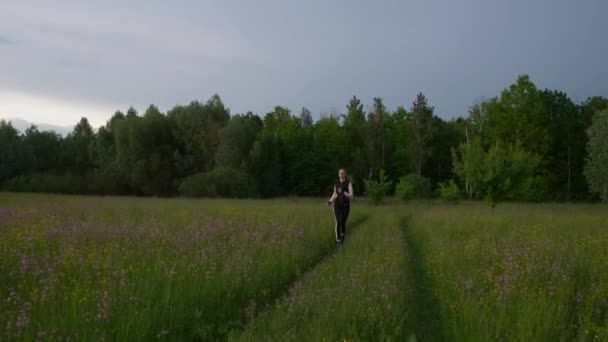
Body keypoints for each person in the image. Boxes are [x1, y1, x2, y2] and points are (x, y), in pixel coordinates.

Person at [326, 168, 353, 244]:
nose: (341, 174)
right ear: (338, 175)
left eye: (342, 173)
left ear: (345, 174)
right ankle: (338, 239)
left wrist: (345, 193)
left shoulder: (348, 183)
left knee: (343, 222)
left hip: (345, 206)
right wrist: (330, 201)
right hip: (337, 205)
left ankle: (342, 234)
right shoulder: (336, 183)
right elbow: (334, 194)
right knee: (338, 221)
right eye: (340, 173)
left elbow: (351, 195)